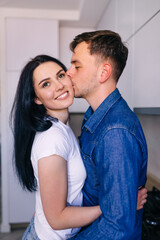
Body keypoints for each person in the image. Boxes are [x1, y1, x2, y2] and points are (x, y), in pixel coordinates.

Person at [67, 30, 148, 239]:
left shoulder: (115, 133)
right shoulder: (95, 119)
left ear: (104, 73)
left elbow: (117, 228)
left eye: (76, 66)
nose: (68, 72)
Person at [11, 55, 102, 240]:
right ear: (36, 98)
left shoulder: (59, 126)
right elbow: (57, 219)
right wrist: (111, 207)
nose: (59, 86)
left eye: (60, 75)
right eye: (46, 84)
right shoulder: (52, 138)